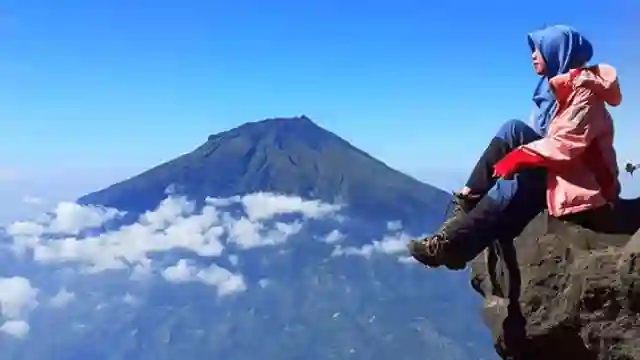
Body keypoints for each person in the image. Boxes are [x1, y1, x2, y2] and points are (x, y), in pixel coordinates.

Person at [408, 24, 623, 270]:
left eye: (539, 49)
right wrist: (518, 157)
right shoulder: (551, 88)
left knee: (511, 182)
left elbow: (565, 145)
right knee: (513, 130)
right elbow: (540, 138)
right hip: (561, 169)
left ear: (557, 51)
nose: (533, 55)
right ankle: (464, 208)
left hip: (582, 182)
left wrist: (517, 158)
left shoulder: (584, 94)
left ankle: (454, 244)